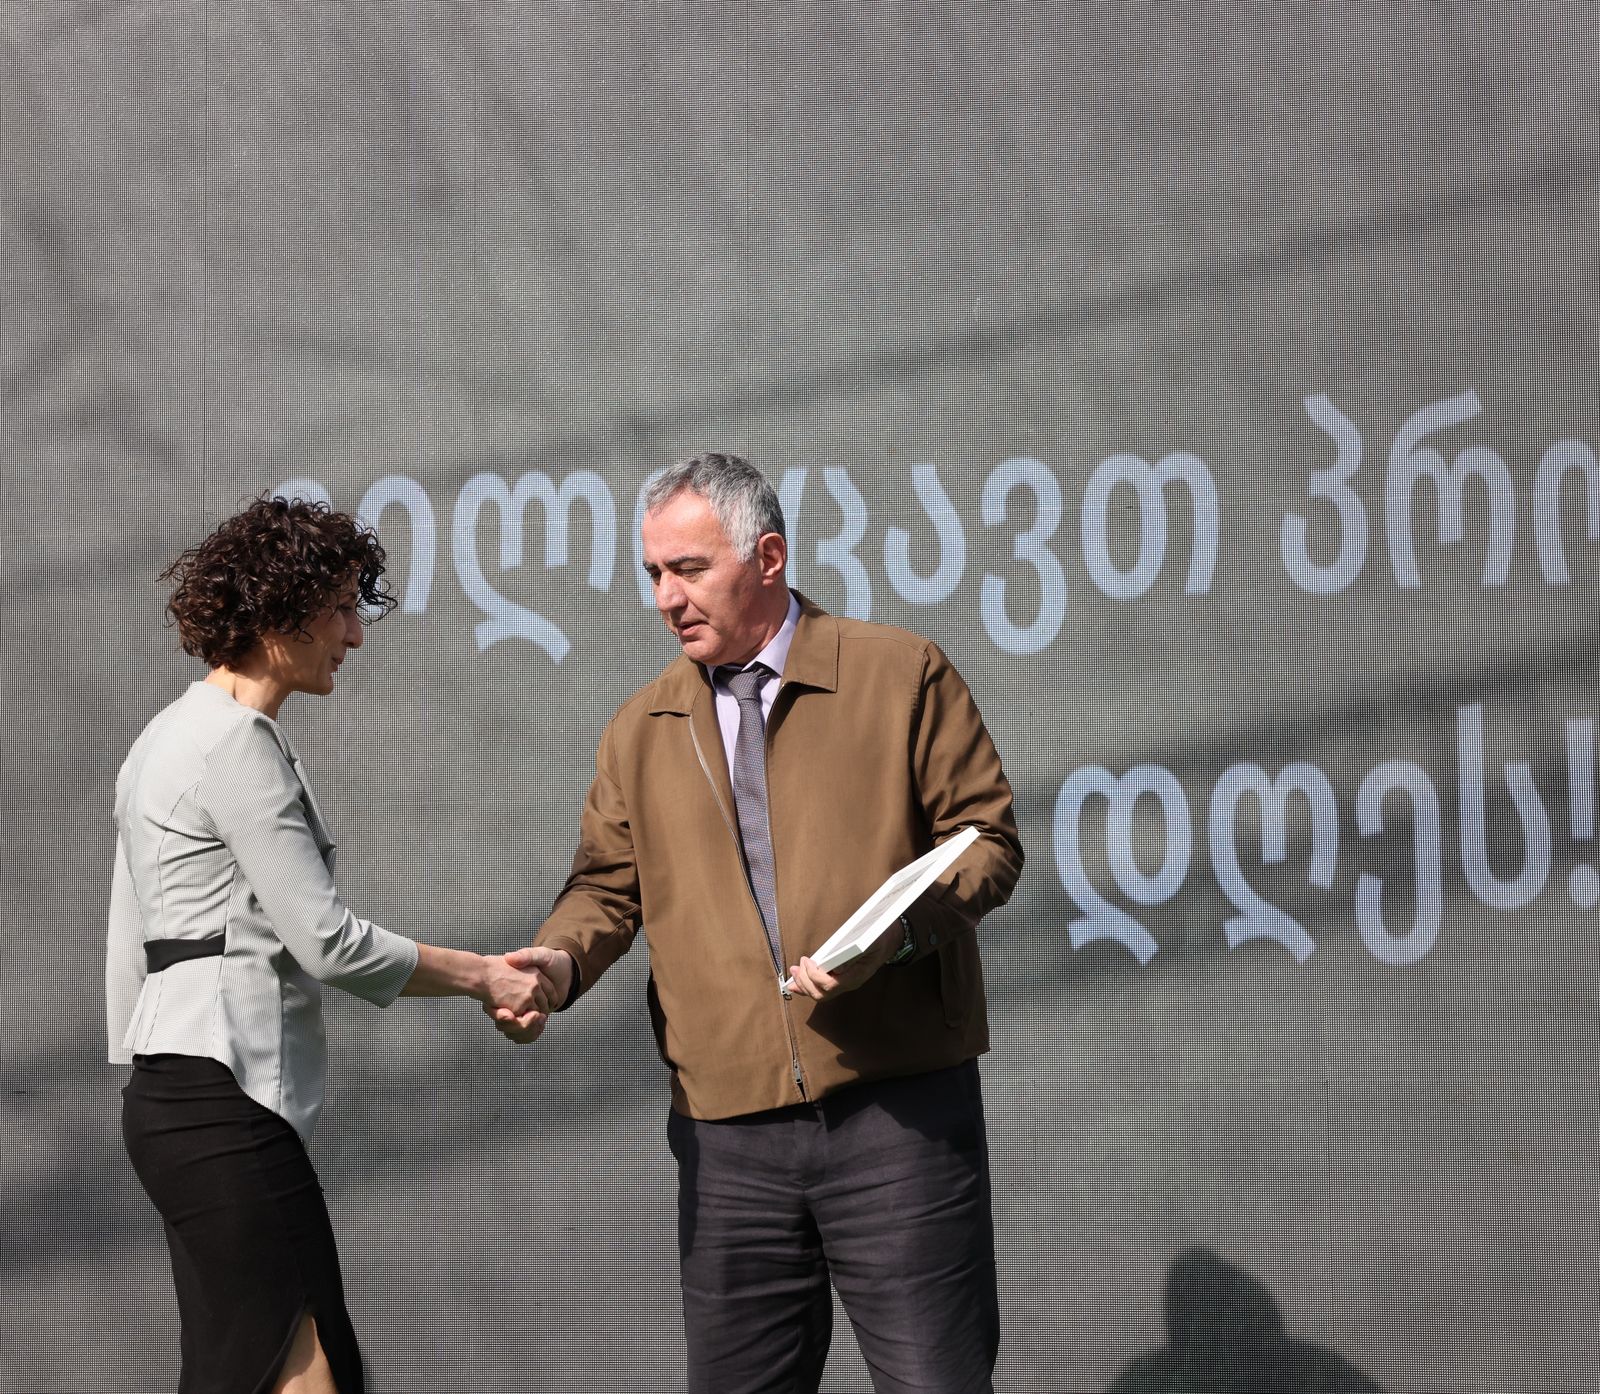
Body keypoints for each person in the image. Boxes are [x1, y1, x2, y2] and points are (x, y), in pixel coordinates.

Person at [495, 452, 1024, 1393]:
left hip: (896, 1113)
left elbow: (986, 841)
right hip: (726, 1137)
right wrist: (559, 963)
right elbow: (605, 889)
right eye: (654, 573)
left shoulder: (899, 673)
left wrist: (894, 938)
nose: (666, 597)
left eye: (689, 569)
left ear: (768, 558)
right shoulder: (639, 728)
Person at [107, 496, 553, 1394]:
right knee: (307, 1373)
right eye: (343, 608)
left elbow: (134, 949)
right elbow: (330, 944)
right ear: (282, 612)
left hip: (174, 1099)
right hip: (221, 1105)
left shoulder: (167, 736)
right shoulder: (234, 746)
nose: (354, 634)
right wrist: (484, 976)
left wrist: (162, 1080)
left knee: (248, 1371)